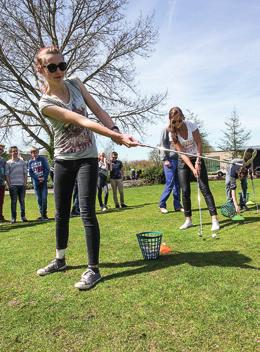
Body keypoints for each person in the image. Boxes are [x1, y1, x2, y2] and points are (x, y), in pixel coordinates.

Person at [34, 46, 138, 290]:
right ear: (41, 70)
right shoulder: (45, 103)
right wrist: (116, 137)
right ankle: (60, 260)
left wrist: (115, 131)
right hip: (63, 161)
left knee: (87, 212)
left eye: (62, 65)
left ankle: (93, 269)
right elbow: (81, 120)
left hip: (87, 159)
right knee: (61, 213)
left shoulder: (76, 84)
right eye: (52, 67)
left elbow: (97, 110)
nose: (59, 71)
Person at [168, 107, 220, 231]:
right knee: (185, 191)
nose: (177, 124)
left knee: (204, 188)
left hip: (197, 157)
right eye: (174, 122)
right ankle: (188, 220)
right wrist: (192, 168)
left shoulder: (191, 125)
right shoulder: (172, 133)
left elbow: (199, 144)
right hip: (184, 162)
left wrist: (198, 162)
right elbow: (182, 153)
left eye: (179, 120)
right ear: (171, 121)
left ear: (182, 117)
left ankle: (214, 219)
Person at [159, 126, 183, 214]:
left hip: (179, 159)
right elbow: (162, 145)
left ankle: (177, 205)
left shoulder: (178, 130)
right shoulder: (165, 130)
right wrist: (165, 159)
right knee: (170, 183)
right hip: (169, 160)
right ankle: (162, 205)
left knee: (177, 184)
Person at [6, 146, 28, 224]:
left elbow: (25, 173)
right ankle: (13, 218)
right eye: (13, 151)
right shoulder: (8, 163)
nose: (15, 152)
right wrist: (9, 185)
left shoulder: (22, 162)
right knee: (14, 202)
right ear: (10, 152)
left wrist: (25, 183)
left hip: (22, 185)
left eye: (16, 151)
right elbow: (7, 175)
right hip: (13, 185)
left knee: (22, 201)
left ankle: (23, 217)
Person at [28, 147, 50, 220]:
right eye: (32, 152)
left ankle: (44, 214)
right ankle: (42, 214)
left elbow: (47, 169)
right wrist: (37, 178)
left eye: (35, 152)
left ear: (38, 152)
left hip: (43, 182)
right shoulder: (30, 162)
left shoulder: (42, 159)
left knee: (44, 198)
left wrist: (43, 177)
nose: (34, 153)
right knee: (39, 199)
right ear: (31, 153)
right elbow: (30, 172)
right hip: (36, 182)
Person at [0, 144, 7, 222]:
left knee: (1, 201)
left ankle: (0, 217)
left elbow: (5, 172)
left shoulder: (3, 160)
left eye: (1, 150)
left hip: (1, 183)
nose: (0, 151)